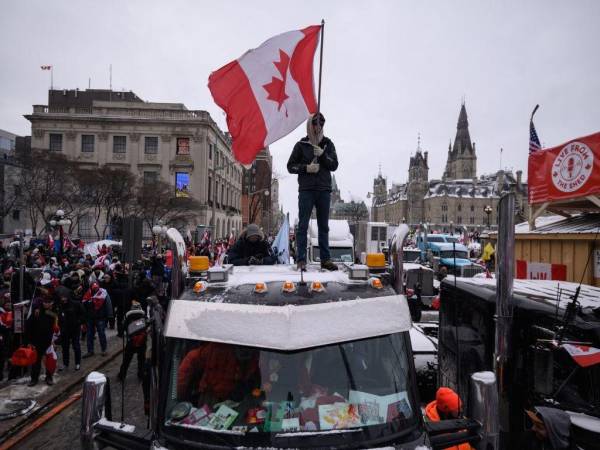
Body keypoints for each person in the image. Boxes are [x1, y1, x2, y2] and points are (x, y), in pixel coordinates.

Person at [287, 112, 339, 271]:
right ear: (310, 125)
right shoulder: (301, 145)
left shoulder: (328, 144)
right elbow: (290, 166)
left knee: (324, 226)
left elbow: (334, 165)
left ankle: (325, 259)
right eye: (316, 124)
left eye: (321, 124)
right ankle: (301, 260)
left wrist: (323, 155)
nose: (318, 127)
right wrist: (306, 168)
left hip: (324, 190)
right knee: (302, 225)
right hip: (306, 190)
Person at [177, 343, 260, 406]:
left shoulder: (257, 358)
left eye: (249, 349)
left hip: (236, 401)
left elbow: (252, 382)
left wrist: (237, 399)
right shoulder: (216, 348)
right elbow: (190, 362)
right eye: (242, 348)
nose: (244, 351)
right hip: (211, 398)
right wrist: (177, 396)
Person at [27, 297, 58, 386]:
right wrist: (29, 341)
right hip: (36, 342)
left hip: (49, 342)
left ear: (52, 303)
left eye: (49, 302)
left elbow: (56, 328)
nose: (46, 304)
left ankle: (49, 377)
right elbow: (29, 327)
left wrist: (55, 341)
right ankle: (34, 379)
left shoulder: (53, 314)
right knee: (36, 361)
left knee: (49, 361)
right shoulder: (36, 312)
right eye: (45, 302)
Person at [117, 300, 147, 382]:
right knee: (141, 359)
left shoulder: (128, 317)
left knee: (126, 360)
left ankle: (122, 375)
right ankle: (141, 374)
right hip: (142, 341)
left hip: (131, 341)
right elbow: (146, 326)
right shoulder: (143, 316)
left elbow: (122, 329)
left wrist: (121, 333)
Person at [56, 286, 84, 371]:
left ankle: (77, 363)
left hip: (75, 329)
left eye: (64, 297)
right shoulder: (59, 306)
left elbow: (83, 314)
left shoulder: (75, 304)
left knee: (76, 346)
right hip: (65, 330)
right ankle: (65, 364)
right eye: (62, 297)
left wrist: (79, 322)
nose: (63, 299)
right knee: (65, 347)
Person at [82, 282, 113, 357]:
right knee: (89, 335)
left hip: (100, 317)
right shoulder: (87, 294)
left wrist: (110, 315)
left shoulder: (103, 293)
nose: (95, 290)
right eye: (94, 288)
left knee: (101, 334)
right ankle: (90, 351)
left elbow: (108, 304)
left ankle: (104, 349)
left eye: (96, 288)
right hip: (90, 318)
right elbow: (83, 305)